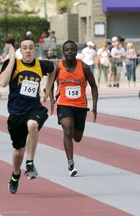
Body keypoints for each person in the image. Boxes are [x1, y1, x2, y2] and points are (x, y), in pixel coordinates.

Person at [0, 36, 56, 194]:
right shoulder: (14, 64)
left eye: (31, 47)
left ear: (35, 49)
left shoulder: (40, 65)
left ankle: (30, 163)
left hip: (34, 108)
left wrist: (48, 88)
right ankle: (15, 175)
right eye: (25, 48)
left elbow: (54, 69)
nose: (28, 51)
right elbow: (3, 82)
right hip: (16, 113)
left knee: (33, 125)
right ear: (20, 50)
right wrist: (11, 60)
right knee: (18, 151)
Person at [52, 40, 98, 177]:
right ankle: (70, 162)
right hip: (64, 104)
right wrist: (50, 96)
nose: (70, 52)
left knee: (77, 137)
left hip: (80, 106)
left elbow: (94, 86)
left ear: (76, 52)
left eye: (72, 49)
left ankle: (71, 136)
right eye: (67, 50)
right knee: (67, 130)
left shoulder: (83, 67)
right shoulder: (58, 67)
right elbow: (51, 82)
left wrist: (94, 107)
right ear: (63, 52)